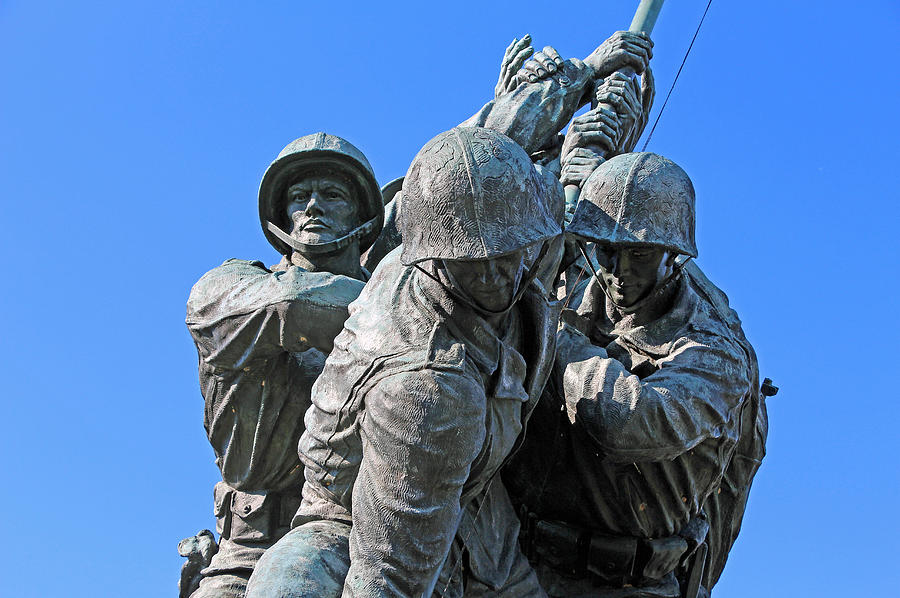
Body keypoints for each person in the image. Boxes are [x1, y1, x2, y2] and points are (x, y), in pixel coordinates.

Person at [246, 126, 564, 597]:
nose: (497, 274)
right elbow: (390, 577)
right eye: (472, 262)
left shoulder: (504, 234)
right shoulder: (428, 388)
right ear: (434, 259)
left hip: (483, 529)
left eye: (508, 251)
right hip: (356, 534)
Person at [503, 152, 766, 598]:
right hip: (518, 561)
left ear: (674, 255)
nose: (619, 270)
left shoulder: (716, 354)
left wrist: (556, 338)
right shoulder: (575, 286)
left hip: (631, 580)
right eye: (606, 249)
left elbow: (634, 422)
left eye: (639, 253)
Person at [182, 132, 384, 598]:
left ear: (363, 217)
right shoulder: (228, 288)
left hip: (373, 534)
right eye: (299, 197)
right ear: (282, 217)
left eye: (332, 195)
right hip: (249, 549)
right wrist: (404, 306)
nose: (313, 206)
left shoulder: (394, 288)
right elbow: (294, 303)